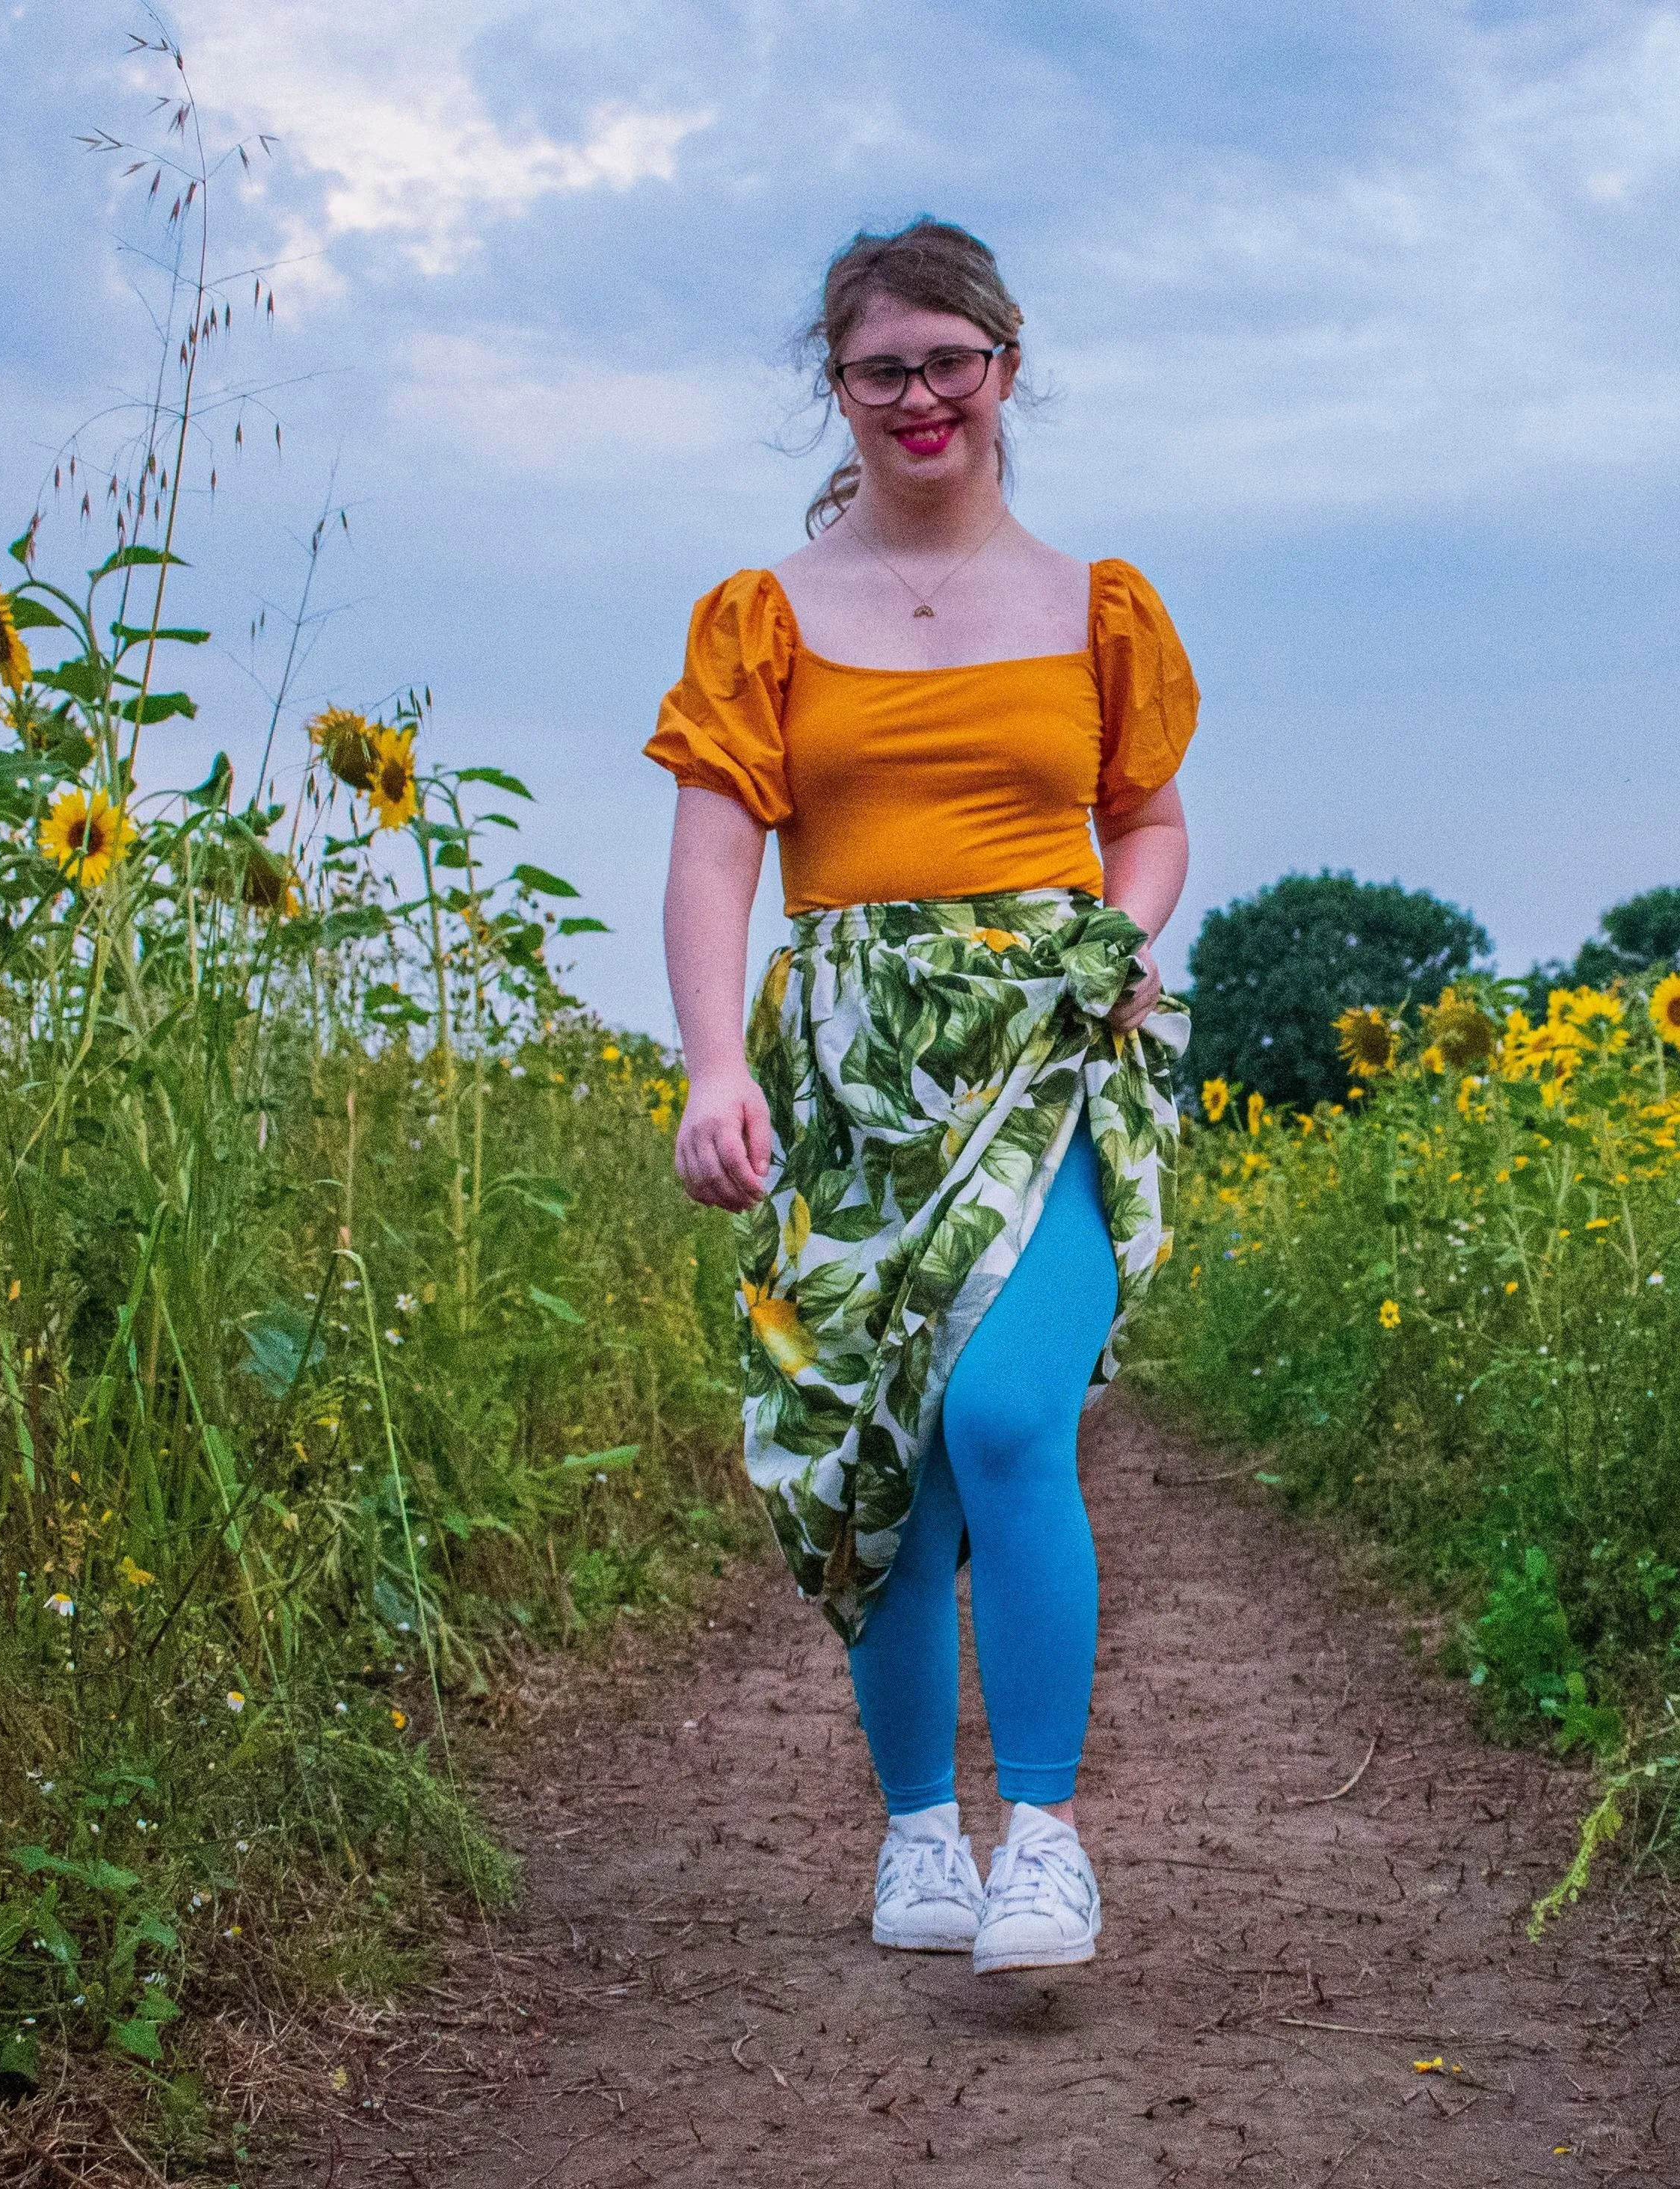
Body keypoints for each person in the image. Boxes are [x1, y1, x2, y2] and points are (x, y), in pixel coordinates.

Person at [647, 218, 1196, 1975]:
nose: (918, 396)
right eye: (880, 368)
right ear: (839, 389)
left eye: (949, 360)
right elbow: (714, 864)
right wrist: (713, 1062)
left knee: (1014, 1417)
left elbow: (1153, 821)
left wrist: (1114, 939)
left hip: (1047, 1062)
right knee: (890, 1456)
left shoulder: (1098, 603)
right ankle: (916, 1840)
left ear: (1005, 368)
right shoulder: (765, 619)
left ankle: (1045, 1837)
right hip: (853, 1081)